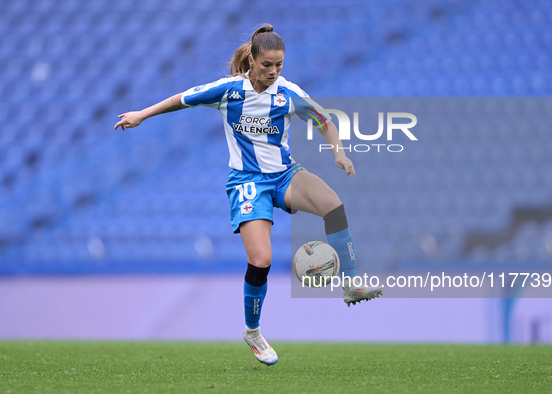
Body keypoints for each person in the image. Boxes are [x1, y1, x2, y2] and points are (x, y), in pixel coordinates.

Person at [114, 24, 382, 366]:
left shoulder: (287, 94)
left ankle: (350, 284)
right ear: (252, 60)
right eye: (267, 64)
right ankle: (253, 332)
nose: (273, 72)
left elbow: (323, 119)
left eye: (279, 65)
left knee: (333, 205)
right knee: (261, 260)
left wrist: (338, 153)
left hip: (285, 175)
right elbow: (179, 100)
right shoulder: (229, 91)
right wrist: (141, 115)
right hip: (247, 183)